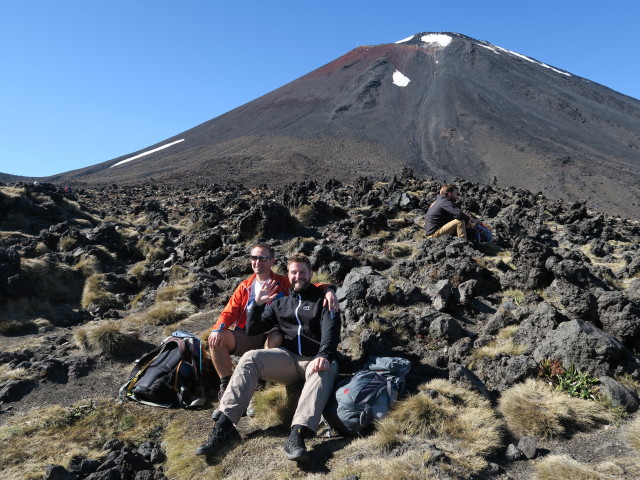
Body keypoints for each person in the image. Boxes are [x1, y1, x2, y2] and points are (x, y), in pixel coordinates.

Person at [196, 253, 341, 461]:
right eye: (293, 272)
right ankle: (224, 427)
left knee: (322, 370)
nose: (297, 276)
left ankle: (297, 434)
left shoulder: (324, 300)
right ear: (288, 275)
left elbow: (331, 331)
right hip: (289, 360)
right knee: (250, 358)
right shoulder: (281, 304)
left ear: (310, 274)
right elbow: (254, 328)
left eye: (302, 272)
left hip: (317, 358)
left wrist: (325, 355)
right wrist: (257, 303)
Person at [208, 244, 337, 413]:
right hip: (249, 333)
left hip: (273, 334)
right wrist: (218, 329)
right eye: (254, 258)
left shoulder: (283, 282)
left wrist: (329, 291)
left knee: (275, 336)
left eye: (263, 258)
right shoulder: (245, 286)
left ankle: (261, 386)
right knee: (216, 340)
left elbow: (310, 284)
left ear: (272, 261)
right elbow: (228, 312)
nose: (257, 262)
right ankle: (226, 387)